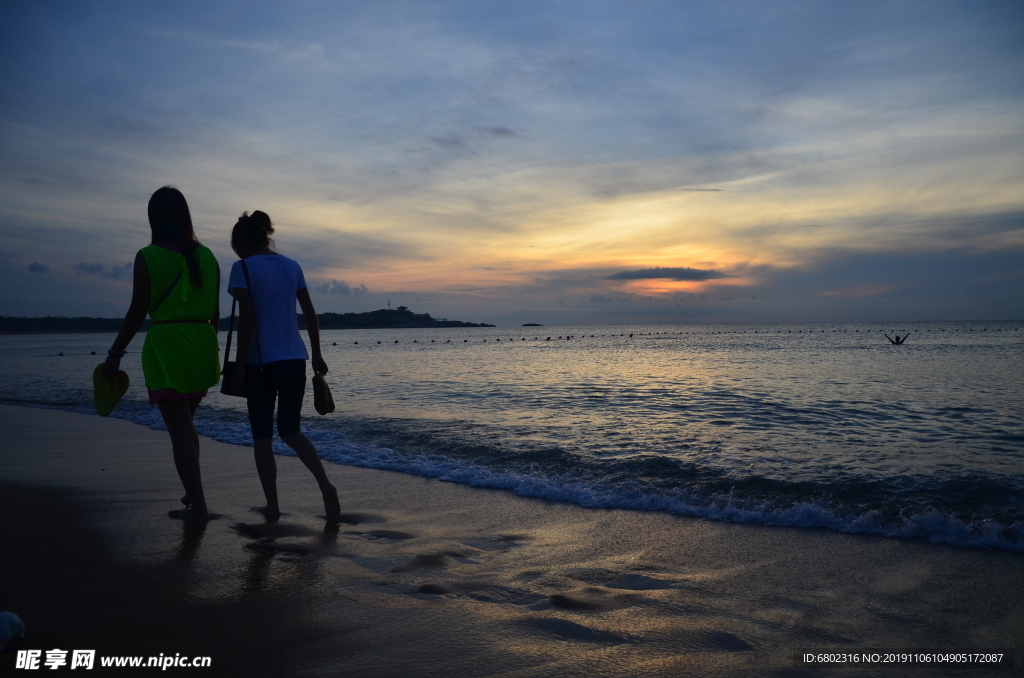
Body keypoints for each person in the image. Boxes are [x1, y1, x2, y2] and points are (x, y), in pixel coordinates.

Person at [104, 187, 221, 521]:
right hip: (201, 345)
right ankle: (192, 493)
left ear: (154, 219)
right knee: (187, 427)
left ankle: (198, 505)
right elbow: (216, 313)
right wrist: (206, 345)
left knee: (181, 432)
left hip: (169, 347)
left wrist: (115, 354)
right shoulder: (208, 256)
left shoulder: (148, 256)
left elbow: (137, 310)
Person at [227, 211, 340, 522]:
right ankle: (325, 484)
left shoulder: (242, 269)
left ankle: (274, 506)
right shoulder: (292, 266)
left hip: (260, 365)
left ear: (242, 241)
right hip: (294, 360)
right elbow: (311, 315)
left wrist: (239, 366)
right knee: (292, 431)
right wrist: (316, 355)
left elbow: (247, 319)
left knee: (262, 437)